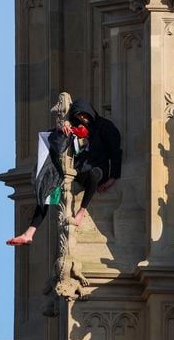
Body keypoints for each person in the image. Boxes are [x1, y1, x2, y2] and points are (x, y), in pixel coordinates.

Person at [7, 99, 122, 246]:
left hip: (98, 168)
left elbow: (116, 152)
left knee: (95, 174)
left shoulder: (105, 127)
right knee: (49, 187)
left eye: (84, 115)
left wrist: (113, 177)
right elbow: (51, 141)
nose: (82, 119)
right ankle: (29, 232)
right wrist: (63, 129)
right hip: (78, 170)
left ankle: (81, 211)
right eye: (79, 116)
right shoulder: (73, 128)